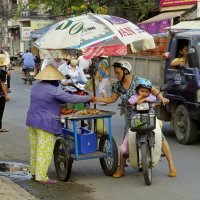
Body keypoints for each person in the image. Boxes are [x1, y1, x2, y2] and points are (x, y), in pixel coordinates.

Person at [94, 60, 176, 178]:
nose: (116, 75)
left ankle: (171, 166)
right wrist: (98, 99)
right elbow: (112, 99)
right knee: (125, 143)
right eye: (115, 73)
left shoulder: (139, 81)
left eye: (118, 73)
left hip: (148, 114)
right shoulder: (117, 85)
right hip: (131, 117)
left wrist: (162, 98)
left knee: (160, 136)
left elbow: (153, 90)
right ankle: (121, 169)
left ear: (125, 71)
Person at [26, 64, 93, 184]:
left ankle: (34, 172)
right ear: (53, 79)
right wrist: (88, 98)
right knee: (44, 150)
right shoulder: (52, 90)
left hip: (32, 121)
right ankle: (41, 177)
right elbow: (70, 98)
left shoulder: (36, 87)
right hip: (45, 123)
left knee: (35, 148)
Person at [120, 78, 156, 157]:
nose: (144, 93)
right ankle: (125, 148)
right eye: (142, 91)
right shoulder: (134, 96)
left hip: (148, 119)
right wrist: (138, 98)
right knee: (129, 132)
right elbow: (131, 101)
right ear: (137, 90)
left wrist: (145, 99)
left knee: (157, 131)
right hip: (136, 120)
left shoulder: (149, 96)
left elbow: (154, 98)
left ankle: (156, 146)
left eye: (146, 91)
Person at [0, 54, 10, 133]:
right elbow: (2, 83)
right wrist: (6, 94)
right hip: (0, 94)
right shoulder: (2, 72)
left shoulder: (3, 71)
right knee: (0, 110)